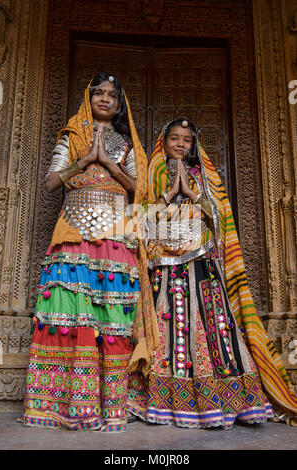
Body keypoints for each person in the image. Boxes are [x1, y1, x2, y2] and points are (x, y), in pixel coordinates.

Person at [127, 117, 297, 429]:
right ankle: (159, 401)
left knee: (212, 327)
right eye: (174, 138)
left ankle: (220, 401)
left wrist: (190, 193)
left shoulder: (202, 174)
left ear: (193, 146)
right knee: (165, 327)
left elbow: (218, 219)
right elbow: (134, 221)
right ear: (163, 143)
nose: (180, 144)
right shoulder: (150, 174)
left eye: (186, 140)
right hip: (162, 268)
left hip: (200, 263)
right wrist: (168, 194)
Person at [19, 73, 157, 432]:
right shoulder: (72, 137)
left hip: (115, 234)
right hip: (73, 233)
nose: (105, 99)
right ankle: (60, 405)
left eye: (112, 94)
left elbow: (138, 188)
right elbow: (51, 183)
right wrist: (83, 161)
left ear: (119, 102)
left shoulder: (126, 142)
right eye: (99, 93)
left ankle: (111, 406)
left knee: (111, 320)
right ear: (88, 96)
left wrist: (109, 163)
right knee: (68, 316)